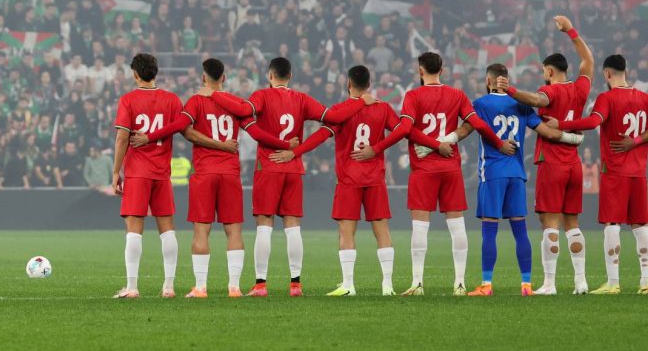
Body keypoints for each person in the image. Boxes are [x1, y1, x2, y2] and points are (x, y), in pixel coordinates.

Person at [209, 57, 370, 297]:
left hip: (269, 166)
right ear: (290, 76)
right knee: (293, 226)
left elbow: (243, 110)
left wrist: (214, 93)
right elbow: (333, 118)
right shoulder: (302, 98)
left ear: (270, 75)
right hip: (294, 168)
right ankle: (296, 284)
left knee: (264, 225)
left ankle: (261, 285)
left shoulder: (262, 96)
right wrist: (360, 102)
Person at [381, 52, 512, 296]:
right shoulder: (457, 95)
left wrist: (381, 148)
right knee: (457, 226)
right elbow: (476, 124)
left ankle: (417, 283)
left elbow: (406, 128)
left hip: (423, 168)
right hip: (450, 166)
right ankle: (460, 283)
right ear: (442, 69)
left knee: (420, 226)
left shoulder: (413, 95)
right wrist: (498, 142)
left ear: (420, 71)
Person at [451, 64, 572, 296]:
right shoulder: (521, 105)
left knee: (489, 230)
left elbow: (466, 130)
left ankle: (486, 285)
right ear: (506, 80)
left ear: (489, 81)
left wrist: (445, 140)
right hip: (516, 174)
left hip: (493, 173)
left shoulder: (481, 105)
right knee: (520, 230)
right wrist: (572, 136)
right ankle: (526, 285)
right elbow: (547, 132)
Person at [282, 66, 402, 296]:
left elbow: (320, 136)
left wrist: (295, 152)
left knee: (346, 232)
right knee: (382, 230)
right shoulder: (383, 108)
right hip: (375, 178)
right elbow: (400, 130)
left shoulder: (341, 111)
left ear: (348, 84)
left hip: (348, 178)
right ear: (369, 84)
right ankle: (387, 286)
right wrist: (376, 149)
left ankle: (348, 285)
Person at [132, 58, 244, 298]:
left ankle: (201, 287)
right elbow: (253, 123)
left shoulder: (195, 101)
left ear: (204, 78)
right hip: (231, 172)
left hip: (204, 172)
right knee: (234, 230)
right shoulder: (237, 103)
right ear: (223, 78)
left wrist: (148, 137)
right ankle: (234, 287)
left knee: (201, 230)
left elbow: (181, 127)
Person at [504, 15, 594, 294]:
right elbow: (589, 61)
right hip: (574, 163)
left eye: (544, 71)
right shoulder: (580, 88)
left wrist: (511, 90)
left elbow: (538, 100)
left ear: (550, 71)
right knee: (573, 223)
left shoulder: (549, 90)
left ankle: (550, 283)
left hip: (552, 161)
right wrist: (571, 31)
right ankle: (581, 281)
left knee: (549, 221)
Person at [556, 54, 648, 295]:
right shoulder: (643, 97)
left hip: (615, 171)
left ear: (607, 74)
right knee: (640, 225)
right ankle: (646, 282)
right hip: (639, 172)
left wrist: (561, 124)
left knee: (612, 224)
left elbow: (593, 121)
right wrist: (636, 141)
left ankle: (613, 282)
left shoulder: (606, 98)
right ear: (624, 72)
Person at [112, 53, 182, 298]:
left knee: (133, 229)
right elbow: (184, 127)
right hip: (162, 173)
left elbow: (122, 138)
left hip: (137, 174)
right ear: (156, 72)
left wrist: (115, 171)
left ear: (135, 74)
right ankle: (169, 287)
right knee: (168, 229)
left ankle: (132, 287)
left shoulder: (128, 100)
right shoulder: (172, 100)